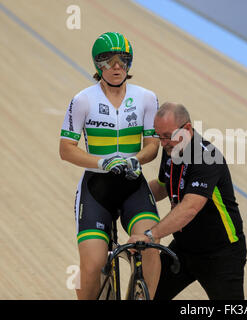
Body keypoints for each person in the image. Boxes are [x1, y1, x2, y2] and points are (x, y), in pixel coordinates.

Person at [59, 32, 161, 299]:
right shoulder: (83, 100)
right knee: (92, 265)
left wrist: (134, 159)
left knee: (152, 246)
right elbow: (66, 150)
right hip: (97, 189)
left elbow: (152, 146)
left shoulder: (147, 98)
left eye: (123, 60)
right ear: (98, 65)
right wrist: (102, 161)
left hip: (132, 187)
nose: (117, 67)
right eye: (109, 61)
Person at [128, 102, 247, 300]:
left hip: (220, 254)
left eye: (168, 136)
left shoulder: (207, 157)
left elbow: (190, 208)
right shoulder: (171, 150)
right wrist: (126, 197)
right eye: (160, 136)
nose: (163, 142)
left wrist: (151, 235)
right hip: (183, 249)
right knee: (146, 296)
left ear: (188, 129)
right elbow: (161, 187)